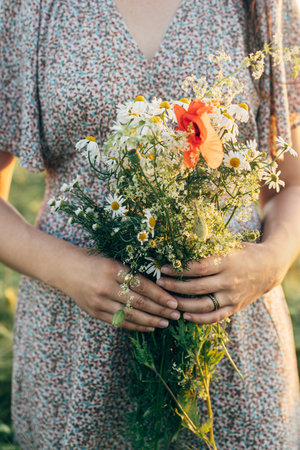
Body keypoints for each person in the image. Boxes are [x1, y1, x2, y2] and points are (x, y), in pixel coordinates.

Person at [0, 0, 300, 448]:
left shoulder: (263, 6)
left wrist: (270, 262)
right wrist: (67, 269)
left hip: (231, 342)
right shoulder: (27, 9)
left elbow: (290, 182)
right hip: (76, 336)